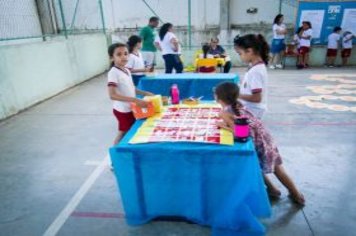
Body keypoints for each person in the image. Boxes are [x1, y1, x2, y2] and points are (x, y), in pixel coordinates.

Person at [214, 81, 305, 206]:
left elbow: (240, 134)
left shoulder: (225, 113)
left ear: (218, 97)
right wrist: (227, 125)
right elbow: (242, 127)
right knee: (266, 167)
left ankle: (296, 195)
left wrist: (223, 126)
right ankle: (276, 190)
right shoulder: (238, 105)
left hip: (259, 143)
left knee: (272, 169)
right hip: (265, 138)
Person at [107, 43, 154, 145]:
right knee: (123, 132)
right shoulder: (113, 73)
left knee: (130, 131)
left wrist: (145, 93)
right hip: (122, 110)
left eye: (125, 53)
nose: (123, 56)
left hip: (130, 107)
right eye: (119, 54)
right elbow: (112, 95)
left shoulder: (127, 70)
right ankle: (116, 154)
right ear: (112, 58)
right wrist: (135, 100)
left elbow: (131, 88)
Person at [233, 34, 269, 119]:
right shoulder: (255, 67)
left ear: (249, 51)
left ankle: (242, 132)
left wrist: (237, 95)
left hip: (252, 112)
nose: (240, 57)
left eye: (240, 53)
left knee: (225, 115)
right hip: (250, 109)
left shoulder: (255, 71)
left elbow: (257, 98)